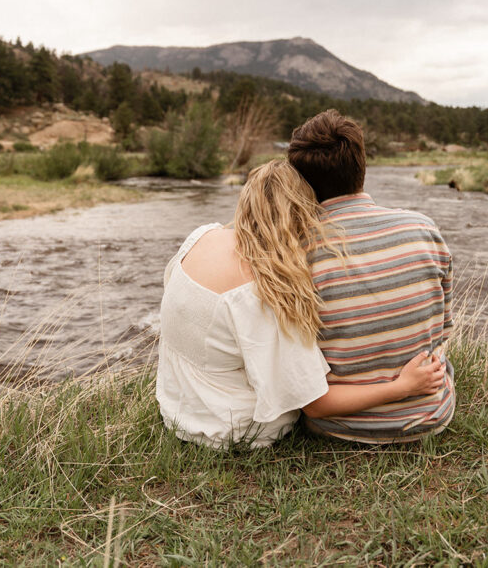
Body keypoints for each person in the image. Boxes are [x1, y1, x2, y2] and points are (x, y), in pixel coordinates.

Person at [155, 159, 447, 449]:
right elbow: (316, 405)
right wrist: (403, 387)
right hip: (229, 428)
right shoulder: (263, 294)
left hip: (177, 406)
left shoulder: (201, 237)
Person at [288, 110, 457, 444]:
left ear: (301, 181)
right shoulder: (423, 228)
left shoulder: (297, 252)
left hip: (338, 428)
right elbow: (443, 326)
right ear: (362, 165)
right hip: (430, 415)